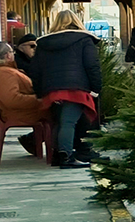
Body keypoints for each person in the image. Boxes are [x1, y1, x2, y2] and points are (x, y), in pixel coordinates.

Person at [33, 9, 103, 169]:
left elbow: (36, 69)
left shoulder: (43, 43)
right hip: (76, 87)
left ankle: (58, 155)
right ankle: (67, 156)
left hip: (51, 88)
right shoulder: (84, 40)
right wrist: (96, 88)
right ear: (76, 21)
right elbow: (92, 65)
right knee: (69, 122)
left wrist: (39, 91)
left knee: (59, 121)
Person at [0, 40, 49, 158]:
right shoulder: (3, 73)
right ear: (7, 55)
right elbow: (11, 99)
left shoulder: (1, 70)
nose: (13, 54)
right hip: (19, 112)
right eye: (12, 52)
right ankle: (57, 150)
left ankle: (35, 141)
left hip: (18, 110)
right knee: (60, 114)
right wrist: (39, 100)